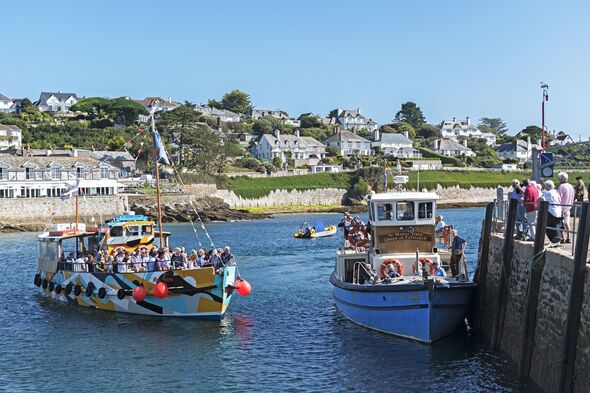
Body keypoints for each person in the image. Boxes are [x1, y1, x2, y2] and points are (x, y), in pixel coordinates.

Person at [539, 180, 562, 246]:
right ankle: (557, 240)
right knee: (555, 225)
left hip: (550, 211)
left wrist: (537, 205)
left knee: (546, 226)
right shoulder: (556, 192)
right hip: (558, 211)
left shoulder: (548, 193)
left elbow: (541, 199)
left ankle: (553, 240)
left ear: (546, 186)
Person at [557, 172, 574, 244]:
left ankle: (562, 238)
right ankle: (568, 237)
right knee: (567, 223)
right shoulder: (571, 186)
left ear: (561, 179)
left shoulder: (561, 187)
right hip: (569, 206)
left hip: (561, 207)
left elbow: (558, 197)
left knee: (560, 223)